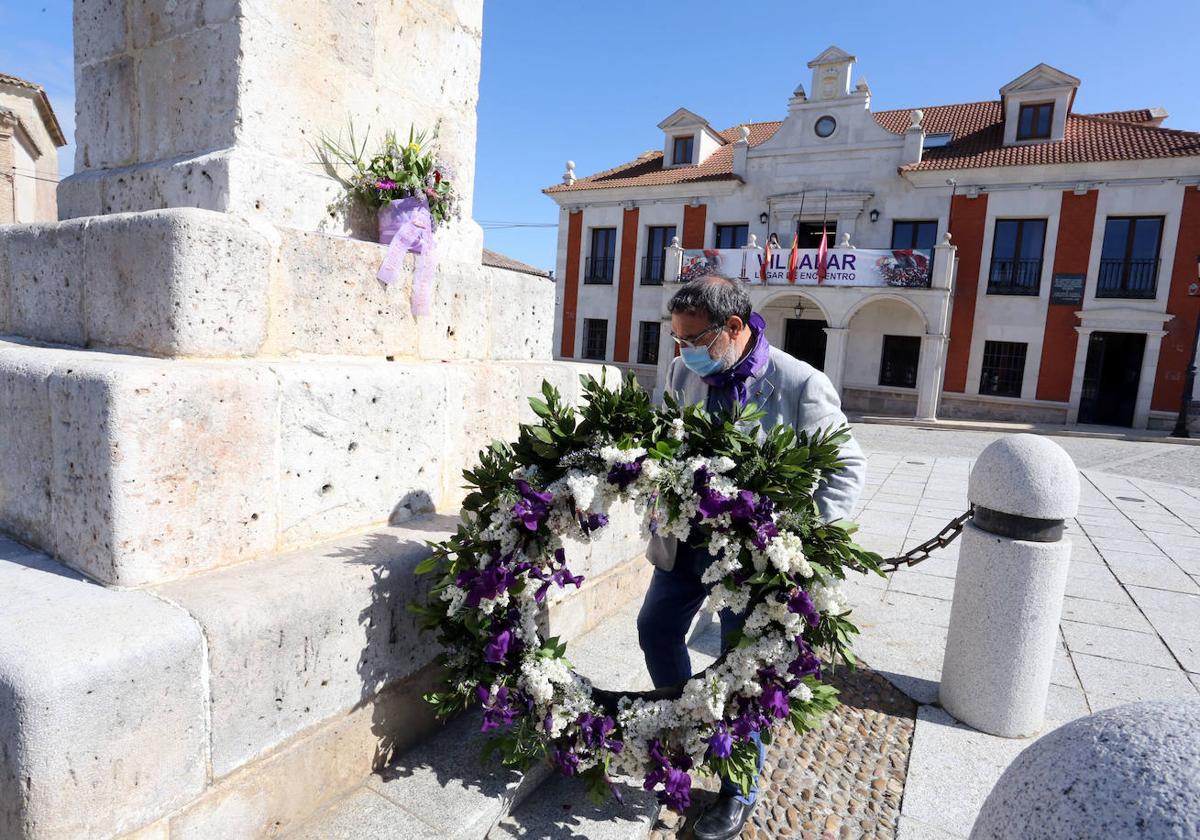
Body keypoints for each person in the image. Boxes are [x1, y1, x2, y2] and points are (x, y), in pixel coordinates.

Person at [637, 274, 866, 840]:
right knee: (655, 628)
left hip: (754, 564)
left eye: (693, 339)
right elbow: (669, 440)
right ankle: (687, 726)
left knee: (746, 670)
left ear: (734, 328)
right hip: (687, 544)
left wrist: (801, 547)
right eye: (677, 340)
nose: (684, 352)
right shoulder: (681, 371)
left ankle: (741, 788)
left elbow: (845, 469)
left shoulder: (800, 384)